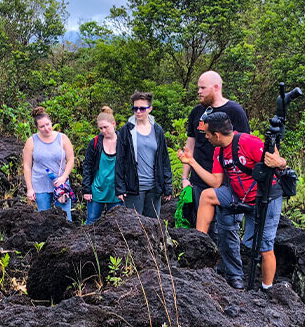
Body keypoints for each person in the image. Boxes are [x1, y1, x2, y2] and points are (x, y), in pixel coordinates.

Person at [177, 111, 287, 291]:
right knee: (208, 195)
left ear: (217, 135)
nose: (206, 137)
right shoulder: (219, 150)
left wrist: (278, 162)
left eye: (207, 134)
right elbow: (216, 182)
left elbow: (281, 162)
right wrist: (192, 162)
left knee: (263, 247)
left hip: (265, 198)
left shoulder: (249, 142)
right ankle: (199, 243)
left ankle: (268, 289)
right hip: (238, 194)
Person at [183, 71, 251, 281]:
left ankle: (232, 276)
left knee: (227, 230)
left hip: (228, 183)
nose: (199, 91)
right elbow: (190, 144)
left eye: (202, 87)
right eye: (198, 87)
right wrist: (185, 178)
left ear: (216, 87)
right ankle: (206, 274)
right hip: (199, 180)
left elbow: (245, 144)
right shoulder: (196, 112)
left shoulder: (234, 111)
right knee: (204, 229)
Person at [118, 91, 173, 218]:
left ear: (150, 109)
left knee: (153, 224)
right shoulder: (127, 130)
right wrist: (120, 188)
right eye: (135, 108)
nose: (138, 112)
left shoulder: (157, 130)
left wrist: (167, 185)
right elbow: (120, 160)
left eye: (142, 109)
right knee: (134, 224)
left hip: (154, 188)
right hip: (133, 188)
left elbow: (164, 159)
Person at [22, 106, 75, 221]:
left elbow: (71, 160)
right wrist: (30, 189)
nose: (46, 128)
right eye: (42, 126)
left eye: (47, 124)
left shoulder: (62, 138)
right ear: (37, 128)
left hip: (60, 184)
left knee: (66, 219)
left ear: (51, 122)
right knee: (44, 219)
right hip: (40, 185)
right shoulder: (31, 141)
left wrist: (63, 178)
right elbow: (27, 166)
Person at [83, 107, 125, 224]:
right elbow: (87, 166)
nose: (103, 131)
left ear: (113, 124)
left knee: (116, 224)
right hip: (97, 190)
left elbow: (129, 167)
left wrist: (125, 189)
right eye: (101, 128)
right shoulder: (95, 142)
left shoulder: (123, 142)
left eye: (106, 127)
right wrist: (86, 190)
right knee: (91, 222)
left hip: (116, 192)